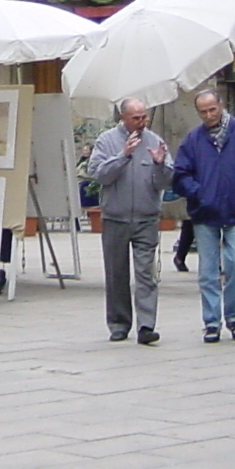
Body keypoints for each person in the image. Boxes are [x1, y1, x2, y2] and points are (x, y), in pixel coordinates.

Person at [172, 91, 235, 343]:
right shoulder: (193, 139)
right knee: (207, 270)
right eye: (203, 112)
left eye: (212, 110)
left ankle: (234, 315)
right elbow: (181, 174)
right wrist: (198, 193)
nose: (208, 116)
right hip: (205, 212)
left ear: (221, 106)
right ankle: (212, 322)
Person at [88, 96, 173, 344]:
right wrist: (123, 156)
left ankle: (146, 326)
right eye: (136, 117)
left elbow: (166, 183)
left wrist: (160, 165)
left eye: (144, 116)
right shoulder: (106, 141)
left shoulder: (155, 141)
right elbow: (98, 175)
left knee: (146, 273)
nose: (141, 122)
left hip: (146, 218)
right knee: (117, 273)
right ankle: (118, 323)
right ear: (122, 117)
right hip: (115, 217)